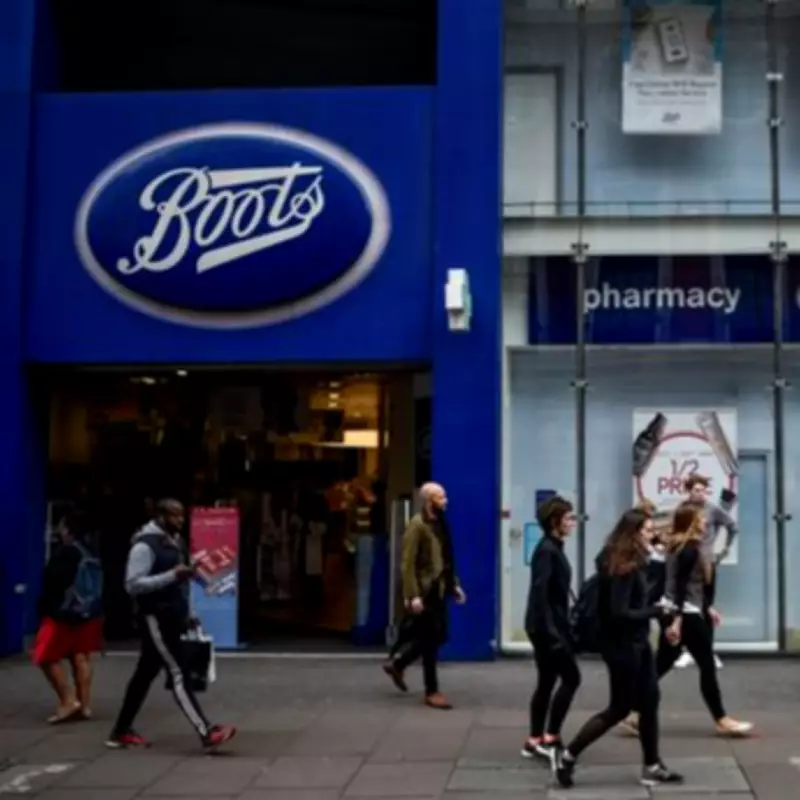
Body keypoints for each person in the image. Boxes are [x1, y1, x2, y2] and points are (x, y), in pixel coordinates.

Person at [554, 509, 683, 789]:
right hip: (622, 646)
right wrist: (656, 611)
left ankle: (652, 765)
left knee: (650, 701)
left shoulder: (628, 559)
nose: (652, 535)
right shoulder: (624, 567)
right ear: (633, 533)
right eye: (647, 530)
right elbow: (620, 613)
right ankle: (568, 756)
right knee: (619, 708)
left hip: (637, 642)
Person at [106, 499, 236, 751]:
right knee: (178, 671)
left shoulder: (175, 542)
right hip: (155, 616)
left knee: (144, 674)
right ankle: (206, 730)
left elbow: (183, 582)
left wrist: (190, 610)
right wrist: (171, 575)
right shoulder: (144, 545)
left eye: (182, 516)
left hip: (173, 615)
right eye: (174, 516)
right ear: (160, 516)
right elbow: (132, 584)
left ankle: (121, 730)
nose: (180, 521)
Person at [656, 502, 752, 736]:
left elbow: (690, 585)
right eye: (700, 519)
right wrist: (678, 619)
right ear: (691, 523)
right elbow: (681, 587)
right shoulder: (688, 550)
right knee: (706, 664)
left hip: (681, 609)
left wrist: (707, 608)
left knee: (662, 663)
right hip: (685, 613)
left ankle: (632, 710)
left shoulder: (681, 547)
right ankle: (721, 718)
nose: (705, 521)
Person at [381, 482, 466, 709]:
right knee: (431, 638)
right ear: (429, 501)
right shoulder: (417, 525)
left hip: (439, 589)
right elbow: (407, 563)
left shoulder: (440, 523)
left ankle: (399, 664)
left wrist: (454, 585)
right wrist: (413, 595)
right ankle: (432, 691)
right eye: (441, 497)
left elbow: (446, 558)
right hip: (426, 591)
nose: (445, 501)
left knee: (438, 636)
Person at [520, 495, 580, 765]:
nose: (572, 522)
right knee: (571, 678)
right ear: (555, 521)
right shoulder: (547, 551)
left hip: (548, 625)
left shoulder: (552, 547)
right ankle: (550, 736)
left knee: (546, 681)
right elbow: (540, 594)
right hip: (547, 628)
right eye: (568, 518)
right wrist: (552, 633)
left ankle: (534, 740)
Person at [32, 510, 104, 724]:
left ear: (68, 529)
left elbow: (53, 581)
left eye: (62, 526)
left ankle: (68, 701)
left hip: (62, 613)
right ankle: (84, 704)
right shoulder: (91, 552)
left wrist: (45, 607)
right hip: (88, 612)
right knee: (80, 656)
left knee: (45, 656)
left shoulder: (65, 552)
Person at [675, 475, 736, 669]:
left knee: (706, 606)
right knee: (685, 605)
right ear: (689, 491)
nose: (700, 494)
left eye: (703, 490)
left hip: (706, 564)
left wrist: (723, 551)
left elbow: (732, 527)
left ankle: (707, 651)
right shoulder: (683, 509)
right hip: (687, 560)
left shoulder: (712, 510)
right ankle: (687, 651)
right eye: (696, 490)